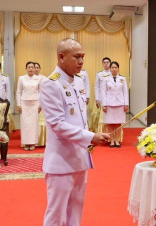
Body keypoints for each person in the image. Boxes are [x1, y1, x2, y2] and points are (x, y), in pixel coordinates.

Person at [40, 38, 109, 226]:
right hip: (61, 162)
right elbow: (57, 123)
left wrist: (90, 136)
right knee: (56, 214)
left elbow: (79, 119)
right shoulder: (51, 84)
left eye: (83, 57)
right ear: (61, 57)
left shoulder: (78, 82)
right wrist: (90, 137)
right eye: (76, 57)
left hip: (79, 158)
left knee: (76, 210)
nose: (81, 61)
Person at [101, 61, 129, 147]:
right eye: (112, 68)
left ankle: (117, 140)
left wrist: (126, 104)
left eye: (115, 67)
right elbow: (103, 92)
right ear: (110, 69)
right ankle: (111, 140)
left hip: (120, 103)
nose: (114, 69)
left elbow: (125, 92)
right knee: (110, 123)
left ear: (118, 68)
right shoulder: (106, 79)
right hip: (109, 103)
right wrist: (104, 104)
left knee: (118, 123)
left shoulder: (122, 79)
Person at [16, 61, 43, 151]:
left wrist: (40, 104)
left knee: (33, 124)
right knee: (25, 124)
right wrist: (19, 104)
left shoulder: (38, 78)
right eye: (29, 67)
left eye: (32, 67)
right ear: (26, 69)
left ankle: (32, 143)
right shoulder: (21, 78)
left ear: (35, 69)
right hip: (24, 103)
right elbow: (18, 92)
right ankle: (26, 143)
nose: (31, 69)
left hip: (35, 103)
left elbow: (41, 92)